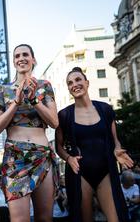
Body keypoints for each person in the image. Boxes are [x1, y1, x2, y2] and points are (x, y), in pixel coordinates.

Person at [55, 67, 134, 222]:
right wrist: (68, 158)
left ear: (87, 82)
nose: (74, 84)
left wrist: (117, 149)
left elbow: (115, 138)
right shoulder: (64, 115)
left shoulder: (105, 109)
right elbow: (59, 146)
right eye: (70, 83)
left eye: (78, 80)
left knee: (115, 218)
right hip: (80, 173)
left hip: (105, 170)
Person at [0, 44, 59, 222]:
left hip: (42, 156)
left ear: (33, 59)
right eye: (17, 56)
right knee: (19, 219)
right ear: (14, 62)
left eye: (25, 54)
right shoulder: (3, 90)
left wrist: (34, 100)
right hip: (16, 158)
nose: (21, 58)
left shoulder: (45, 86)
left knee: (45, 218)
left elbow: (54, 122)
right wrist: (16, 102)